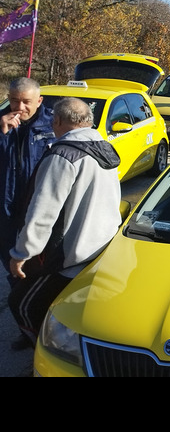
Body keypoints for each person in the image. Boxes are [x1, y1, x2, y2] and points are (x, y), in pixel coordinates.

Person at [7, 97, 121, 346]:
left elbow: (43, 212)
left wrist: (22, 253)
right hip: (100, 247)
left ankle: (45, 353)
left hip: (69, 255)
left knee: (21, 303)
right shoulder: (105, 148)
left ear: (57, 121)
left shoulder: (62, 156)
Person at [0, 77, 56, 288]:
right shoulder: (1, 122)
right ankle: (18, 291)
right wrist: (2, 134)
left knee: (37, 259)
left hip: (36, 205)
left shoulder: (53, 125)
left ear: (39, 101)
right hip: (5, 206)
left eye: (26, 102)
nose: (20, 107)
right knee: (9, 258)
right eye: (15, 101)